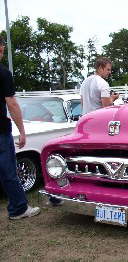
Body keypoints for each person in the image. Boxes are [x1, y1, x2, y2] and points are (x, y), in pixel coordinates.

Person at [0, 36, 40, 219]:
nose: (1, 53)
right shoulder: (3, 73)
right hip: (0, 132)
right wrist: (22, 131)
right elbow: (12, 104)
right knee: (8, 171)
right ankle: (19, 208)